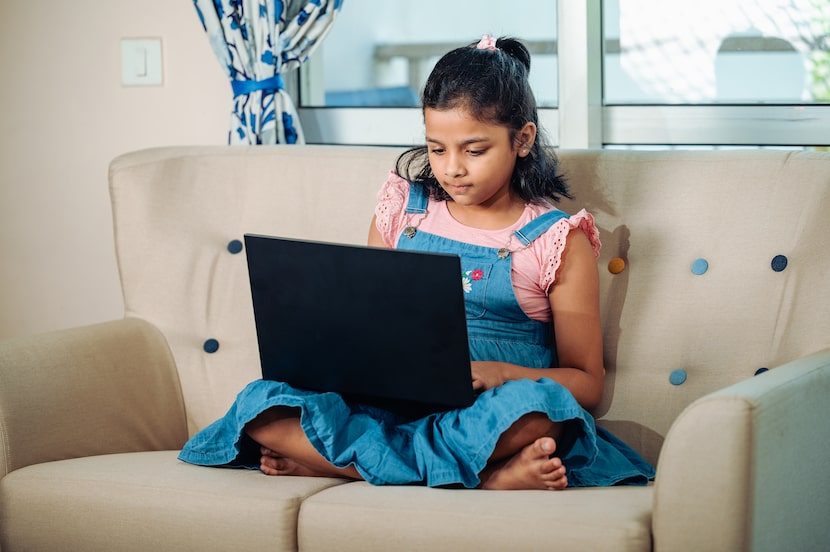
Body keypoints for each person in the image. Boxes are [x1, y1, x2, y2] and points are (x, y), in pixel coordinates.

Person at [179, 35, 655, 490]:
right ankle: (486, 478)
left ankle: (340, 463)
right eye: (436, 148)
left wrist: (502, 373)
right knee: (263, 404)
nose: (452, 168)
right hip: (386, 403)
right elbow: (363, 323)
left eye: (475, 150)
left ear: (523, 139)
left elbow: (586, 384)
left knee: (544, 410)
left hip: (484, 413)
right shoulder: (401, 211)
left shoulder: (554, 240)